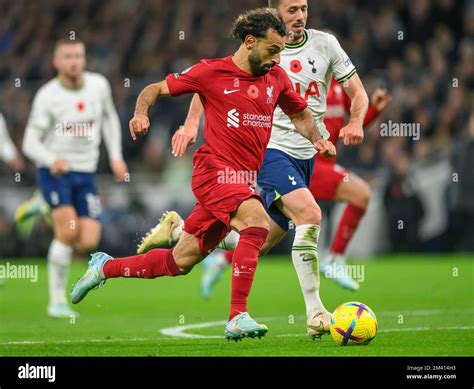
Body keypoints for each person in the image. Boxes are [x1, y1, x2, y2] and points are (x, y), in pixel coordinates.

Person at [71, 8, 336, 341]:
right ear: (250, 42)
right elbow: (154, 89)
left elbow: (299, 113)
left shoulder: (276, 78)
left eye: (281, 51)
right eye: (272, 50)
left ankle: (104, 267)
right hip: (214, 171)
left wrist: (317, 139)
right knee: (256, 223)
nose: (277, 59)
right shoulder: (211, 72)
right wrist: (141, 114)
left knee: (178, 262)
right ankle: (237, 315)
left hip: (243, 178)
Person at [139, 0, 369, 339]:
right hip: (270, 150)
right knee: (310, 213)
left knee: (252, 241)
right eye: (291, 10)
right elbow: (210, 86)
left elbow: (357, 91)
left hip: (307, 153)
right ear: (275, 12)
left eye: (303, 8)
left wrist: (356, 121)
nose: (299, 15)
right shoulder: (260, 47)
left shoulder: (326, 44)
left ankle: (179, 231)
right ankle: (316, 312)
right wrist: (190, 126)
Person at [22, 38, 128, 318]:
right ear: (56, 62)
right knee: (67, 232)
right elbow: (29, 142)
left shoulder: (98, 86)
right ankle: (56, 301)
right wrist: (49, 160)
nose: (74, 61)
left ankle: (43, 205)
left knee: (88, 242)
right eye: (68, 56)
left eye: (78, 56)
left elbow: (109, 119)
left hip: (86, 173)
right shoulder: (48, 96)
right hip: (56, 172)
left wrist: (116, 156)